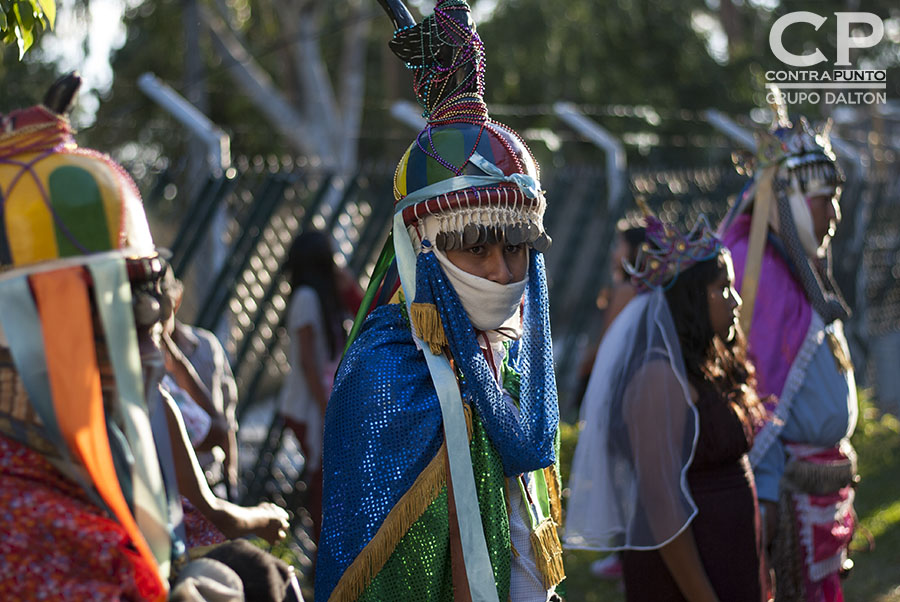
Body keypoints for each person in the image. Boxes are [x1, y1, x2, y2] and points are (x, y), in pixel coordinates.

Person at [0, 73, 294, 600]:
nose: (139, 348)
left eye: (141, 311)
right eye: (102, 315)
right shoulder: (36, 521)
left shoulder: (89, 447)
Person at [314, 1, 564, 600]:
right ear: (421, 250)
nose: (504, 273)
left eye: (518, 248)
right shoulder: (383, 374)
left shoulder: (505, 357)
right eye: (477, 248)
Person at [565, 208, 766, 602]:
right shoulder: (658, 380)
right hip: (691, 576)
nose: (736, 300)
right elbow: (662, 507)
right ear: (690, 299)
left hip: (731, 557)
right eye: (723, 288)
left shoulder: (706, 366)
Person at [718, 94, 857, 601]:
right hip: (791, 496)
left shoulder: (803, 273)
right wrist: (769, 489)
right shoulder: (760, 275)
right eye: (825, 198)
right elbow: (756, 394)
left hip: (824, 488)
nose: (835, 213)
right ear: (791, 198)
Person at [277, 229, 351, 543]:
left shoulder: (320, 296)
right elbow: (308, 362)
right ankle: (323, 559)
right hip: (308, 405)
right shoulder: (307, 298)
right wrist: (326, 410)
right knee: (322, 482)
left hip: (317, 402)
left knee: (325, 480)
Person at [161, 267, 241, 499]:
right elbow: (216, 431)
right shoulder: (149, 369)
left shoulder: (206, 347)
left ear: (176, 300)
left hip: (211, 479)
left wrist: (231, 477)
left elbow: (227, 419)